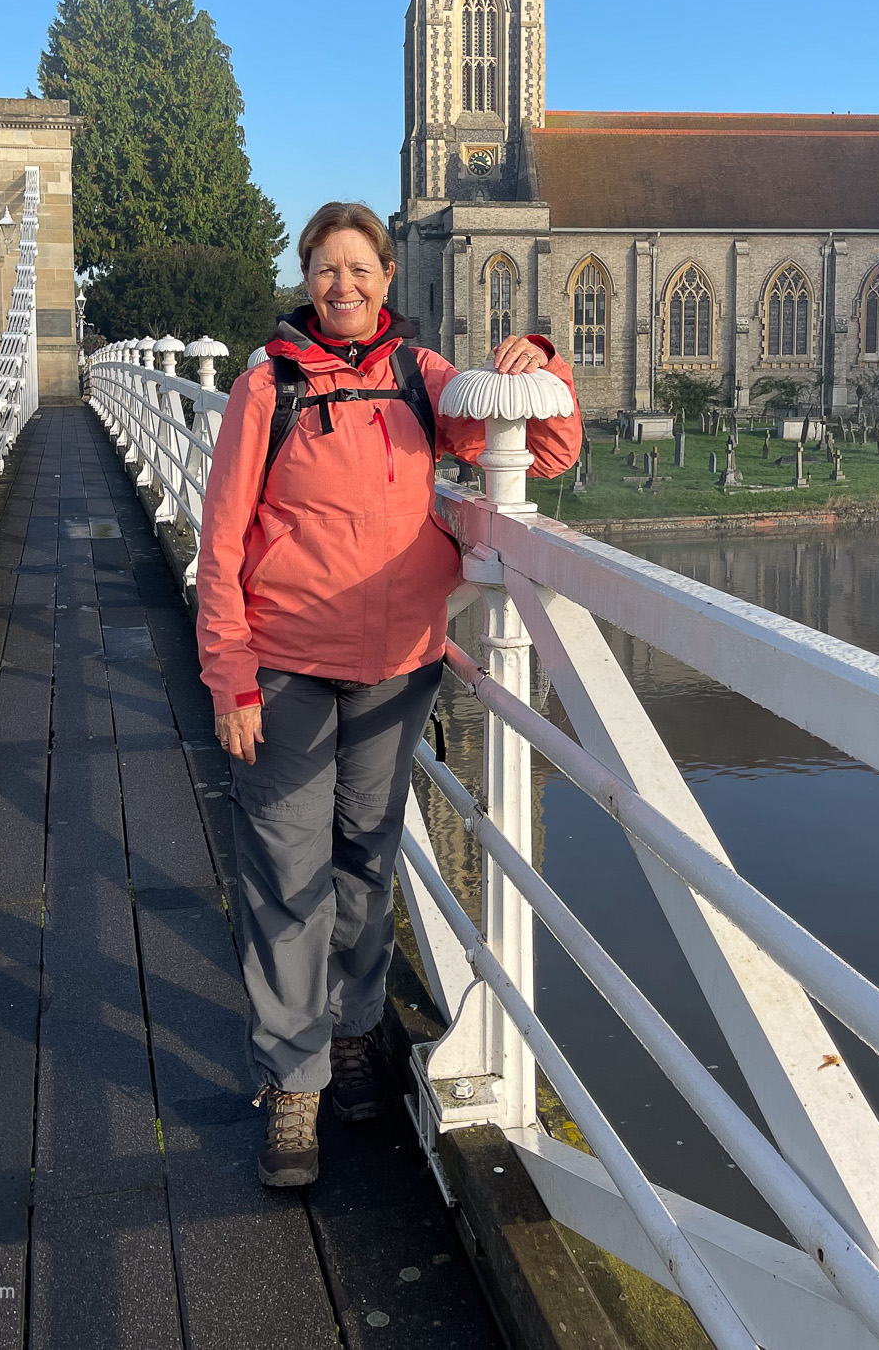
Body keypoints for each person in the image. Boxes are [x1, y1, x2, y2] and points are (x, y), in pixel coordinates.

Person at [195, 200, 582, 1188]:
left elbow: (544, 452)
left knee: (365, 863)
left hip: (397, 670)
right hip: (283, 667)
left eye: (360, 269)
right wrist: (230, 676)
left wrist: (534, 362)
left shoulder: (422, 377)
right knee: (287, 875)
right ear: (308, 280)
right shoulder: (265, 384)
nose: (345, 286)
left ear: (386, 278)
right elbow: (221, 542)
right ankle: (293, 1084)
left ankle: (357, 1032)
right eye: (327, 270)